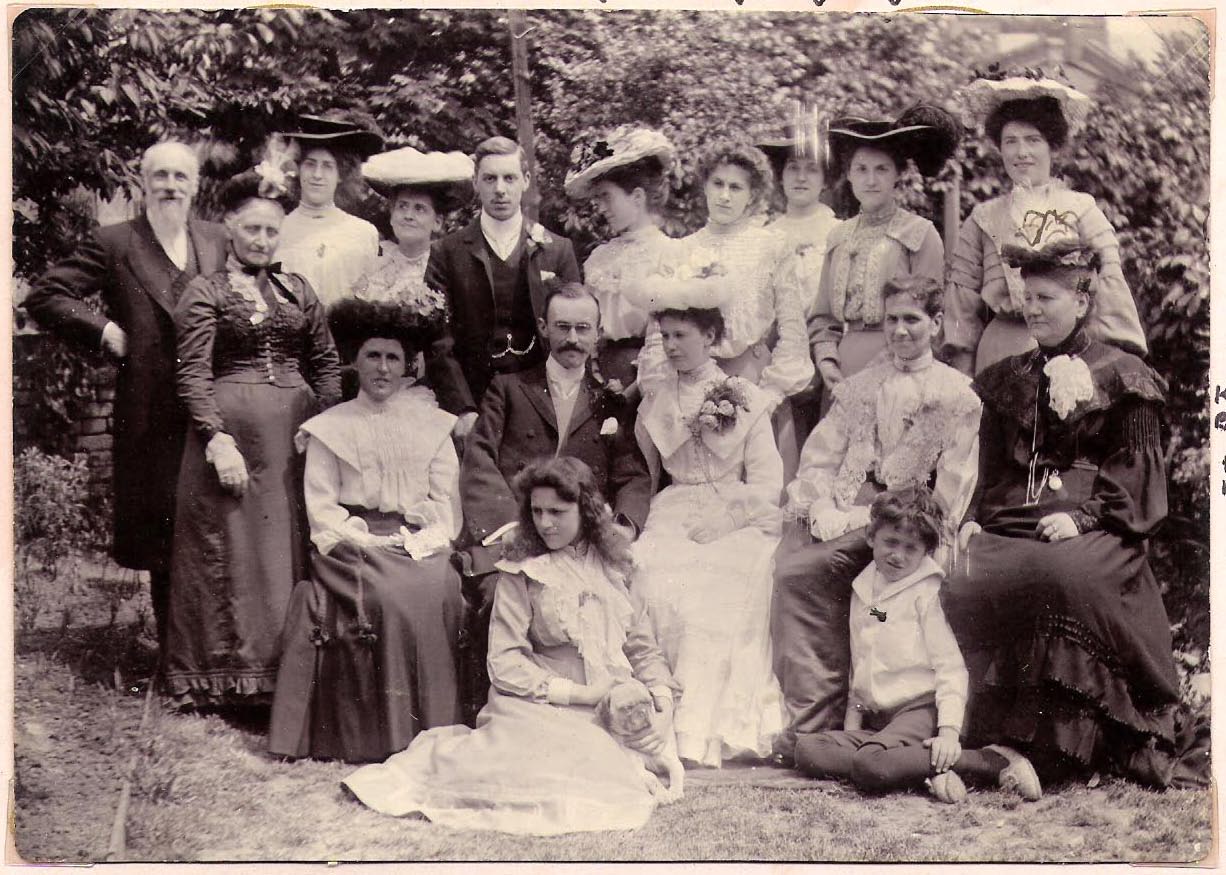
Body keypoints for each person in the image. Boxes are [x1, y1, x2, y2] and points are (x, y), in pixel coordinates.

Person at [941, 236, 1180, 788]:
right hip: (1013, 518)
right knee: (963, 573)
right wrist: (973, 514)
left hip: (1102, 525)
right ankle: (975, 733)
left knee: (1059, 574)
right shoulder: (1007, 378)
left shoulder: (1124, 375)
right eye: (1028, 297)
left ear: (1081, 301)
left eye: (1046, 297)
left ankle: (1059, 750)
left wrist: (1085, 517)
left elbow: (1140, 482)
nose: (1032, 308)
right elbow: (989, 465)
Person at [342, 457, 680, 835]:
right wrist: (580, 694)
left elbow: (642, 647)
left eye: (557, 511)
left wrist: (663, 706)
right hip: (542, 702)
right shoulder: (523, 571)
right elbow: (504, 661)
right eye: (536, 511)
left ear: (585, 511)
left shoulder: (618, 566)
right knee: (561, 772)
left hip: (615, 697)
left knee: (626, 757)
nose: (545, 522)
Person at [24, 141, 228, 649]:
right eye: (159, 175)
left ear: (196, 185)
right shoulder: (116, 241)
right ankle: (174, 651)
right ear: (143, 183)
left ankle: (216, 647)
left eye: (181, 177)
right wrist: (106, 332)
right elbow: (47, 295)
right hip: (149, 409)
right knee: (162, 528)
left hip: (211, 402)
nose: (170, 186)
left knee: (213, 521)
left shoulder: (218, 240)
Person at [772, 276, 980, 765]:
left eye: (912, 320)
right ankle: (812, 719)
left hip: (908, 530)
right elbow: (819, 459)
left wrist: (926, 535)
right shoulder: (861, 387)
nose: (901, 331)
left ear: (936, 324)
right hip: (853, 517)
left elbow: (956, 480)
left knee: (804, 574)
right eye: (892, 320)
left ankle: (825, 731)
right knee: (793, 572)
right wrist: (821, 504)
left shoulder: (957, 395)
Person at [166, 163, 342, 707]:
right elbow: (191, 371)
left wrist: (326, 425)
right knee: (237, 552)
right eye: (251, 230)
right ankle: (230, 680)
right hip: (232, 441)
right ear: (229, 230)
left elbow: (327, 362)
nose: (262, 240)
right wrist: (216, 439)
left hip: (295, 439)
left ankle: (293, 672)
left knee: (288, 548)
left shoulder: (297, 290)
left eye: (271, 230)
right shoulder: (206, 292)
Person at [269, 298, 464, 763]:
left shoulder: (434, 427)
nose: (382, 368)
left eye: (393, 358)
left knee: (444, 586)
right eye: (372, 356)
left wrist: (421, 540)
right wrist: (370, 540)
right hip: (351, 545)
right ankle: (387, 737)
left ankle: (438, 729)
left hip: (416, 542)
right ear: (354, 361)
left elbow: (445, 508)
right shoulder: (328, 429)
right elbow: (322, 509)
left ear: (408, 365)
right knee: (391, 597)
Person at [458, 281, 653, 720]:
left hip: (581, 539)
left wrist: (622, 525)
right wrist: (512, 525)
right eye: (562, 327)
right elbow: (479, 458)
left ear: (598, 333)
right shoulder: (508, 388)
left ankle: (594, 704)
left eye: (583, 328)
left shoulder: (609, 402)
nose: (572, 339)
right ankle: (493, 711)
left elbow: (634, 474)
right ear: (544, 328)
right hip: (515, 531)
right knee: (496, 594)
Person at [795, 487, 1042, 804]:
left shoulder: (927, 594)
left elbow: (950, 668)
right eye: (890, 542)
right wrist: (850, 728)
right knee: (808, 749)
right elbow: (865, 651)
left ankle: (988, 760)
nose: (897, 554)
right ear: (871, 537)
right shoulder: (865, 588)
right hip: (880, 721)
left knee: (872, 765)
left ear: (926, 551)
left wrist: (949, 733)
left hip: (921, 708)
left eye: (911, 548)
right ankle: (921, 768)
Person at [629, 283, 786, 767]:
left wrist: (729, 519)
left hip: (738, 514)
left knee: (714, 587)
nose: (671, 345)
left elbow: (766, 484)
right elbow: (646, 476)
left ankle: (699, 732)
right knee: (647, 572)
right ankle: (650, 723)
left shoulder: (745, 398)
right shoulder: (656, 398)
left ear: (711, 336)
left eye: (681, 335)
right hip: (673, 509)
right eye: (665, 336)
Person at [944, 73, 1147, 375]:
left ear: (1052, 146)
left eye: (1033, 140)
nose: (1021, 152)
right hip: (1002, 353)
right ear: (999, 148)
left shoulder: (1081, 209)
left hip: (1073, 356)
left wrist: (1112, 365)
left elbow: (1110, 286)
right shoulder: (983, 217)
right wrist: (961, 379)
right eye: (1010, 141)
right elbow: (962, 303)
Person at [634, 139, 813, 481]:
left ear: (753, 194)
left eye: (736, 187)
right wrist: (661, 388)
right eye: (718, 184)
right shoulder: (682, 249)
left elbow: (792, 329)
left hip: (754, 378)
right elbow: (659, 332)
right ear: (704, 186)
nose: (725, 195)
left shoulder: (771, 245)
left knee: (759, 490)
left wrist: (771, 393)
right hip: (688, 383)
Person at [425, 135, 582, 436]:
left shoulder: (558, 250)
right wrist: (462, 408)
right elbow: (437, 340)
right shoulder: (447, 251)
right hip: (474, 403)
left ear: (525, 180)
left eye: (509, 178)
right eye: (490, 178)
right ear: (476, 183)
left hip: (542, 401)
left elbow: (572, 330)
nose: (499, 189)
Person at [810, 106, 959, 396]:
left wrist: (883, 367)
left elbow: (932, 314)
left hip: (901, 366)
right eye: (861, 169)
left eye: (882, 169)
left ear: (897, 175)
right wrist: (827, 362)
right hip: (842, 369)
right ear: (849, 175)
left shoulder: (920, 234)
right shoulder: (838, 237)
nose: (871, 180)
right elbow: (823, 317)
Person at [341, 146, 474, 400]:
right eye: (402, 207)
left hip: (433, 388)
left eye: (420, 209)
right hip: (377, 386)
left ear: (437, 222)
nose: (409, 216)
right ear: (391, 214)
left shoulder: (450, 270)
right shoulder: (373, 268)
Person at [564, 125, 679, 388]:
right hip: (599, 377)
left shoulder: (669, 254)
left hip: (651, 379)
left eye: (607, 197)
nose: (601, 208)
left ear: (637, 197)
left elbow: (666, 336)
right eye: (597, 200)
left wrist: (633, 389)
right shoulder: (599, 258)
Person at [757, 107, 842, 440]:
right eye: (793, 168)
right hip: (779, 353)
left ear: (825, 180)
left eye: (812, 169)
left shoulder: (838, 231)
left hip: (830, 349)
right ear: (780, 176)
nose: (801, 178)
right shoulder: (766, 235)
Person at [276, 112, 384, 308]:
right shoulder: (278, 229)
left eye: (327, 166)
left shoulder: (363, 233)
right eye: (310, 164)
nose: (317, 175)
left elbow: (370, 299)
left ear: (340, 175)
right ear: (299, 170)